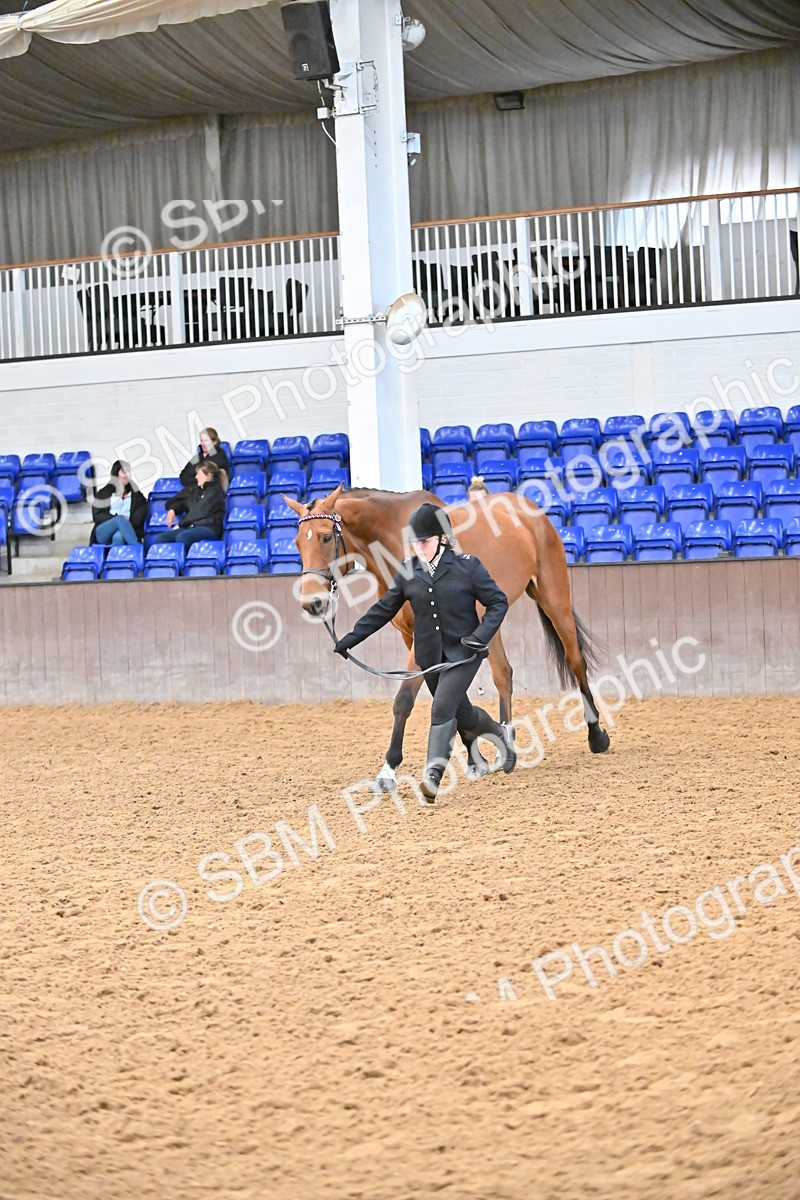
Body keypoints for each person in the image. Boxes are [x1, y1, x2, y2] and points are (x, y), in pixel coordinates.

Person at [334, 502, 516, 802]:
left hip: (464, 653)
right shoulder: (408, 571)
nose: (419, 547)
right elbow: (383, 610)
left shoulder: (468, 566)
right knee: (465, 715)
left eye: (426, 541)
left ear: (442, 538)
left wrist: (480, 636)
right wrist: (350, 639)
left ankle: (432, 777)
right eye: (415, 542)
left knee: (441, 709)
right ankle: (501, 738)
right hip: (430, 657)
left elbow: (498, 602)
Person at [154, 460, 226, 548]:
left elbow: (200, 511)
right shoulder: (196, 490)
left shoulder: (215, 492)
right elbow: (185, 503)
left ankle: (184, 561)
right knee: (161, 538)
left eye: (199, 474)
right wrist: (173, 510)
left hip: (209, 527)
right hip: (192, 526)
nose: (196, 477)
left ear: (208, 476)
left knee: (183, 537)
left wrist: (181, 524)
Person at [166, 427, 230, 525]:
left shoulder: (220, 456)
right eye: (201, 440)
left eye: (206, 440)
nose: (203, 443)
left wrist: (197, 481)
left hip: (208, 491)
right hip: (194, 490)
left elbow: (212, 476)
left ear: (214, 441)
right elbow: (183, 476)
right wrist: (198, 480)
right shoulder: (197, 457)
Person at [91, 460, 146, 546]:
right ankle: (137, 548)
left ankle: (115, 558)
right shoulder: (103, 493)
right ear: (116, 474)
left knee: (119, 536)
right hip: (104, 531)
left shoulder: (136, 495)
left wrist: (125, 524)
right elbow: (97, 516)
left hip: (127, 530)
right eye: (124, 472)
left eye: (129, 472)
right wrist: (118, 519)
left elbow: (140, 513)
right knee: (120, 519)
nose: (128, 475)